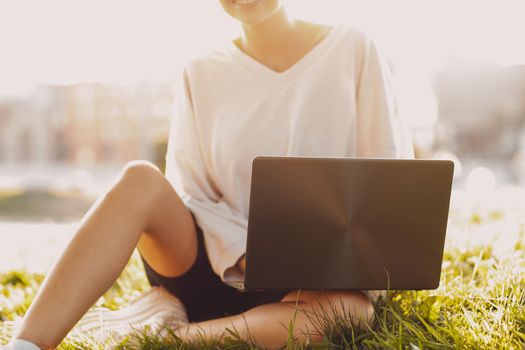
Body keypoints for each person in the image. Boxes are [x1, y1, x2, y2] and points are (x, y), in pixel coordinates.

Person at [2, 0, 414, 349]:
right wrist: (242, 253)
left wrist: (344, 268)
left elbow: (386, 174)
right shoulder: (199, 70)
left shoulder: (353, 48)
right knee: (139, 179)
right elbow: (189, 192)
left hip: (313, 282)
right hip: (215, 264)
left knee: (351, 313)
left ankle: (176, 334)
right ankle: (26, 344)